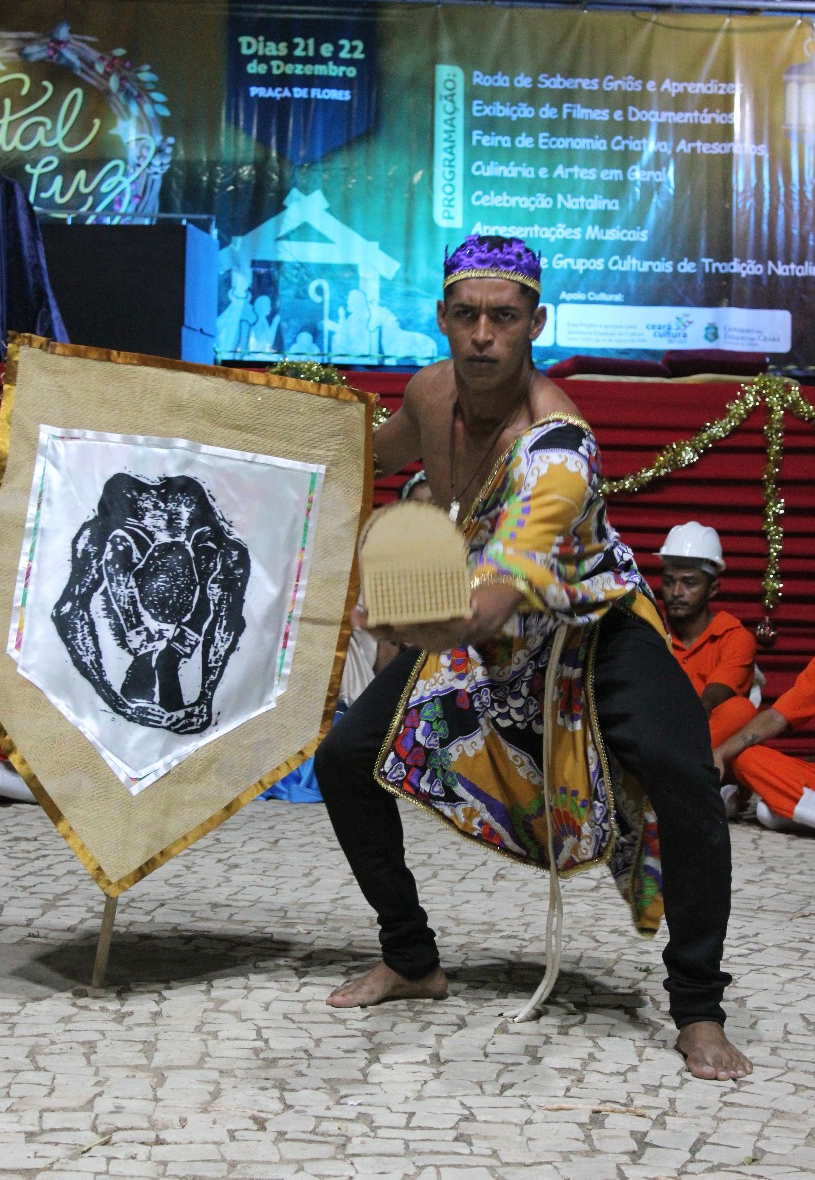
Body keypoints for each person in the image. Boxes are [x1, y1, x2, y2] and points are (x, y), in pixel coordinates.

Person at [314, 234, 751, 1080]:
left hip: (588, 623)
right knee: (342, 759)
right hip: (477, 622)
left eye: (504, 318)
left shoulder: (558, 446)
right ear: (442, 317)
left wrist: (437, 620)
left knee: (684, 774)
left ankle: (697, 1006)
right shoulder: (429, 391)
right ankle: (410, 957)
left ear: (535, 323)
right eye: (467, 315)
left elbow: (509, 577)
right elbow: (378, 449)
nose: (483, 334)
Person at [713, 636, 815, 838]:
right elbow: (777, 717)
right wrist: (721, 754)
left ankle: (807, 813)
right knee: (748, 760)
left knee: (772, 812)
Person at [658, 522, 759, 749]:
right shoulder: (648, 629)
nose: (676, 592)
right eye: (668, 582)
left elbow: (711, 702)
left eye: (689, 583)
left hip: (703, 739)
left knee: (740, 711)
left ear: (712, 589)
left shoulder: (735, 637)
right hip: (655, 733)